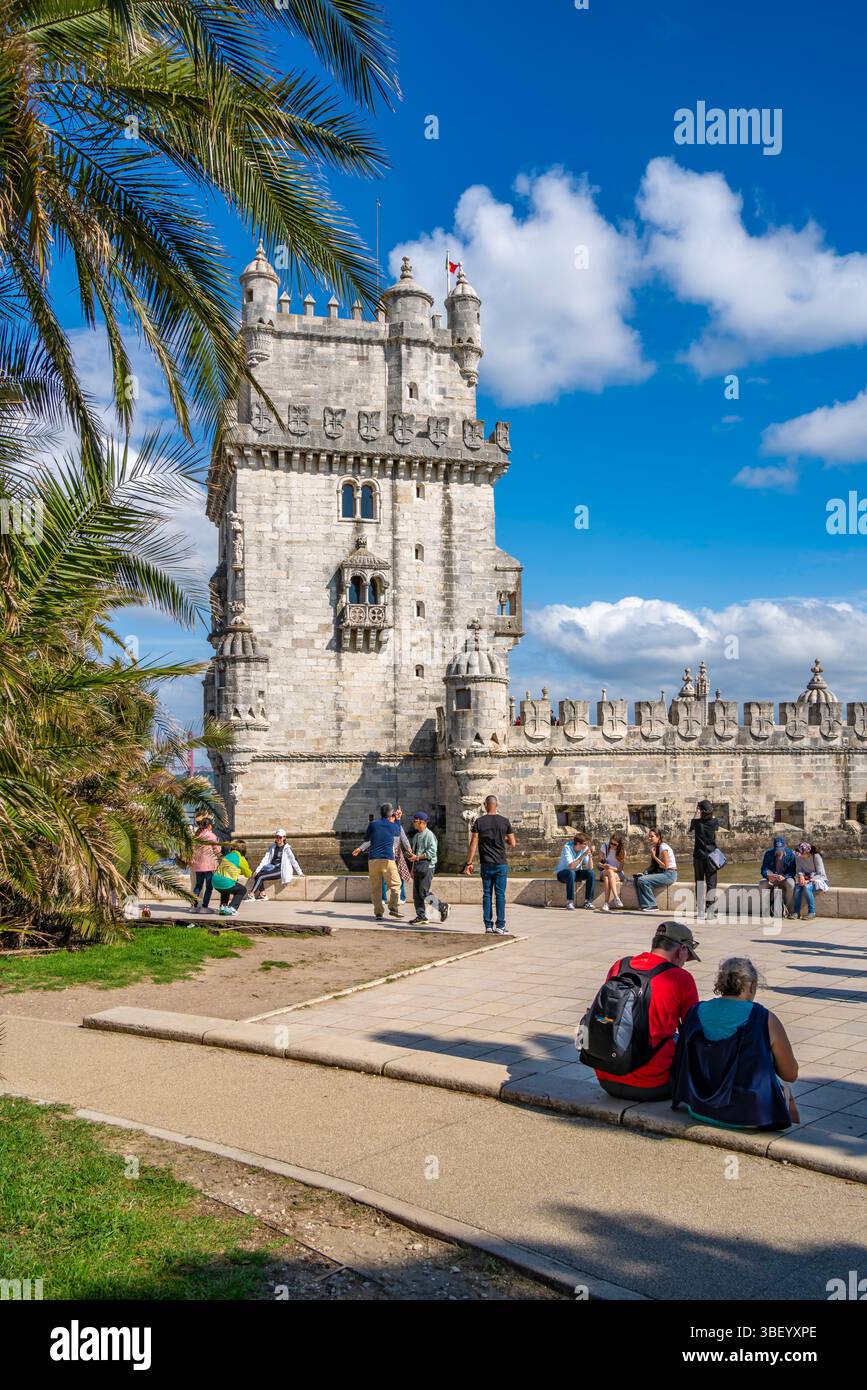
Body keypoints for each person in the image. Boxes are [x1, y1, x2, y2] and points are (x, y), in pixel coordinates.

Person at [672, 957, 799, 1130]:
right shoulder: (764, 1018)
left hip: (699, 1107)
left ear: (720, 984)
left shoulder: (695, 1011)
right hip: (748, 1116)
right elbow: (790, 1074)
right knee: (787, 1093)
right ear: (752, 985)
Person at [592, 922, 701, 1101]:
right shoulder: (681, 978)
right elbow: (693, 1029)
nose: (684, 962)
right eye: (687, 956)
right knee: (681, 1039)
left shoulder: (620, 966)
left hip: (606, 1079)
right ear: (681, 950)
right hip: (653, 1085)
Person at [464, 794, 516, 935]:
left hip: (486, 863)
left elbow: (473, 842)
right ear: (496, 805)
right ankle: (500, 925)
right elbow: (513, 843)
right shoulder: (504, 821)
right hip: (500, 863)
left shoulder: (479, 822)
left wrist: (468, 862)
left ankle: (488, 925)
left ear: (485, 805)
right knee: (500, 894)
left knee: (487, 894)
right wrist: (502, 838)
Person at [352, 803, 403, 920]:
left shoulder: (373, 824)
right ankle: (393, 907)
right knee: (396, 884)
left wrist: (361, 848)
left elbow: (366, 838)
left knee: (376, 888)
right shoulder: (393, 826)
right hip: (387, 859)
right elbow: (398, 833)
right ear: (391, 814)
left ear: (380, 813)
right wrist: (398, 819)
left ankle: (379, 912)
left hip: (373, 859)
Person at [408, 812, 450, 924]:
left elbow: (432, 852)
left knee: (424, 892)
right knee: (416, 893)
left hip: (427, 866)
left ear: (422, 822)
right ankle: (421, 916)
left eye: (415, 821)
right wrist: (412, 868)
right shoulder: (416, 836)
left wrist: (417, 858)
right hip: (417, 866)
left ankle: (442, 907)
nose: (413, 823)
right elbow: (415, 853)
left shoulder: (429, 835)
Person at [690, 799, 721, 921]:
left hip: (698, 857)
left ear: (700, 811)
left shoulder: (696, 823)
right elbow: (713, 818)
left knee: (699, 882)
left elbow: (692, 824)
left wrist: (697, 811)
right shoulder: (714, 822)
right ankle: (710, 911)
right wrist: (708, 809)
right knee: (711, 883)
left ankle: (700, 911)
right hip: (711, 857)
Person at [250, 828, 303, 899]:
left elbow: (293, 861)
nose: (278, 839)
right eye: (277, 837)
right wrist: (257, 870)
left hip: (281, 871)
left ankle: (251, 894)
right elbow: (265, 859)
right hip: (271, 868)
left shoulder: (287, 849)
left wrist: (300, 873)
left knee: (261, 877)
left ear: (284, 838)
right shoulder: (272, 847)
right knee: (257, 874)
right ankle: (263, 894)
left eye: (280, 837)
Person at [634, 828, 677, 912]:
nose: (649, 838)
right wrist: (644, 873)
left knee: (642, 880)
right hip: (662, 873)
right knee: (637, 879)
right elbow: (653, 866)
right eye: (649, 836)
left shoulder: (663, 847)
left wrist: (654, 857)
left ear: (658, 837)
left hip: (669, 874)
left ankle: (652, 905)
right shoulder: (655, 847)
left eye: (652, 836)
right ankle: (644, 905)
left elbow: (665, 866)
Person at [554, 832, 595, 911]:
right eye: (585, 844)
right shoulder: (567, 848)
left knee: (591, 873)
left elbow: (590, 868)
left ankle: (588, 902)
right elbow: (571, 866)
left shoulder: (585, 848)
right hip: (563, 874)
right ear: (578, 844)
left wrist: (590, 855)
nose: (587, 846)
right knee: (571, 872)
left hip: (575, 873)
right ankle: (570, 902)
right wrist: (583, 855)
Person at [760, 835, 796, 918]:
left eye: (780, 848)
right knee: (762, 884)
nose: (779, 851)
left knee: (791, 884)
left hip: (784, 879)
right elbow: (763, 869)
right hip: (772, 878)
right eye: (777, 849)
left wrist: (784, 876)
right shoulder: (768, 853)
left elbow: (792, 871)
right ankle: (767, 909)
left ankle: (786, 908)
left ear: (785, 846)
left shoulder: (791, 854)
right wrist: (768, 876)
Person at [213, 841, 252, 916]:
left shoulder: (227, 856)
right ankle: (232, 908)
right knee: (242, 890)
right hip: (226, 881)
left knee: (225, 890)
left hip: (215, 881)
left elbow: (228, 868)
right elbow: (248, 874)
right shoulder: (241, 858)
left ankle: (223, 908)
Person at [793, 842, 829, 921]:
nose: (798, 854)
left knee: (806, 887)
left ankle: (812, 912)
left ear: (806, 851)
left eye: (800, 852)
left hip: (819, 880)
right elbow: (799, 870)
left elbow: (820, 874)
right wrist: (801, 876)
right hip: (806, 879)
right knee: (797, 888)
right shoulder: (798, 857)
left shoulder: (816, 857)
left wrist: (808, 880)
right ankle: (796, 912)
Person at [191, 815, 220, 912]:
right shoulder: (211, 836)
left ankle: (194, 906)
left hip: (198, 866)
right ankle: (204, 906)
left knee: (198, 886)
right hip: (209, 866)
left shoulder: (197, 835)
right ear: (209, 826)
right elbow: (217, 850)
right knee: (209, 887)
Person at [598, 832, 626, 912]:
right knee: (609, 872)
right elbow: (599, 863)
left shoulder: (622, 851)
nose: (612, 845)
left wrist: (611, 868)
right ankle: (616, 897)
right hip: (604, 871)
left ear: (619, 845)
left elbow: (620, 869)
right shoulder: (604, 847)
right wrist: (604, 866)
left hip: (617, 873)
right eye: (611, 843)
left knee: (607, 878)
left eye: (615, 844)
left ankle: (606, 903)